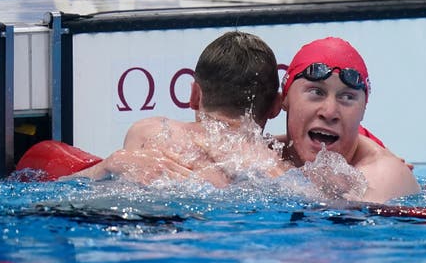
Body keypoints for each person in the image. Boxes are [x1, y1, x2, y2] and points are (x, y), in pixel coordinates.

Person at [70, 31, 287, 186]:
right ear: (276, 106)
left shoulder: (149, 131)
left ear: (195, 95)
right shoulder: (272, 165)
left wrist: (107, 165)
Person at [279, 36, 420, 203]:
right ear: (284, 98)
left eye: (347, 96)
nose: (330, 112)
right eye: (316, 92)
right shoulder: (256, 154)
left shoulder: (383, 176)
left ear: (363, 110)